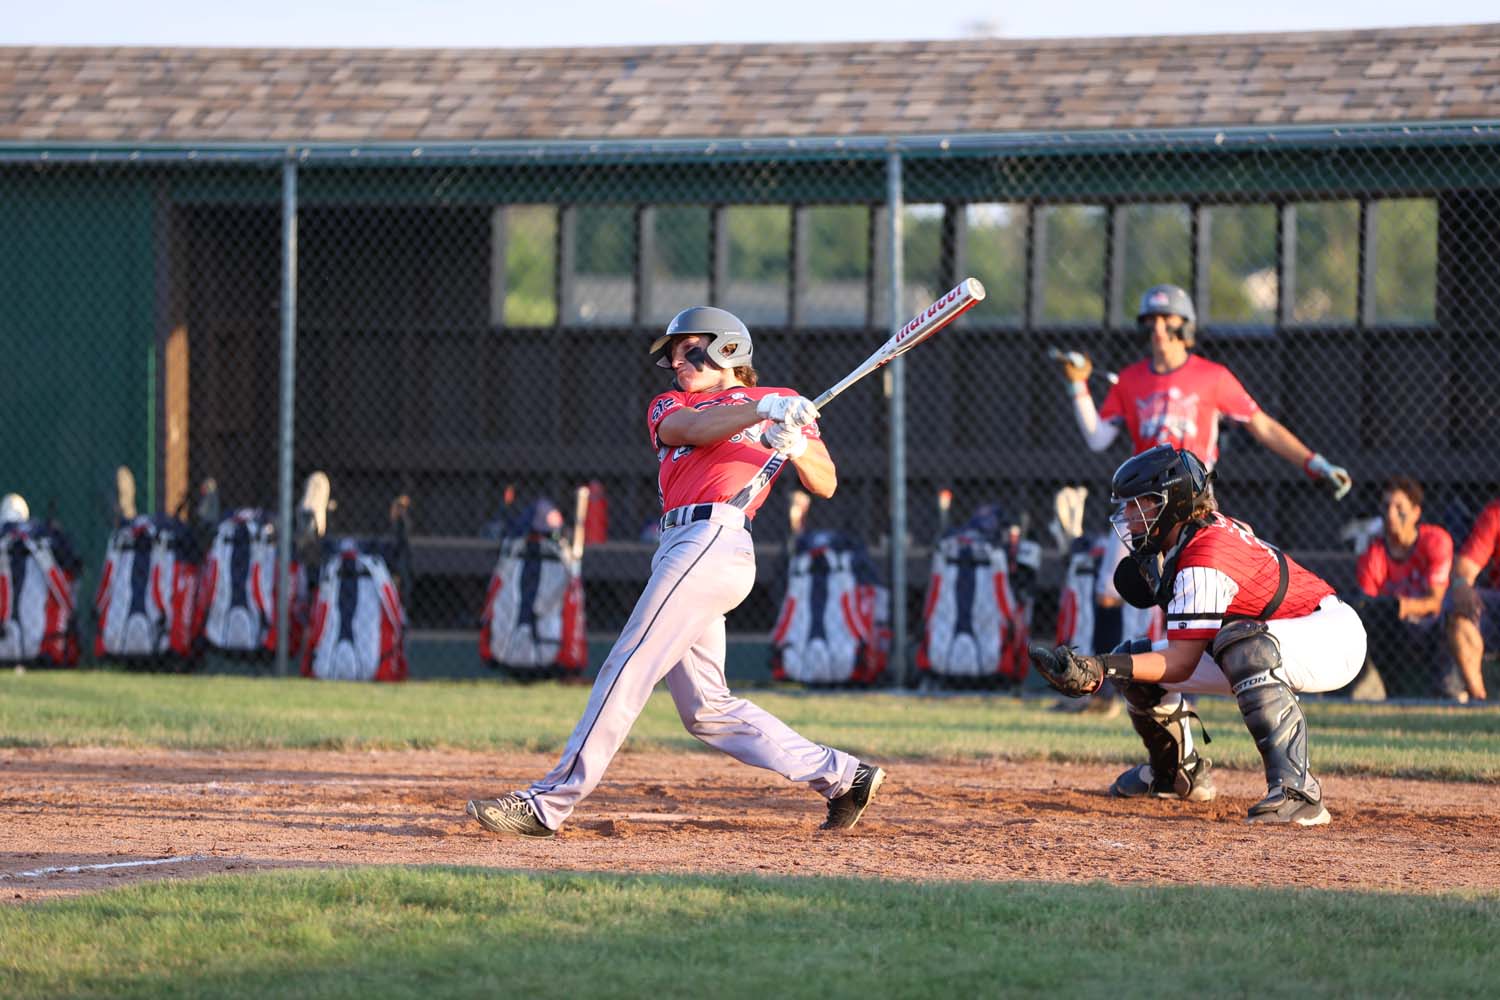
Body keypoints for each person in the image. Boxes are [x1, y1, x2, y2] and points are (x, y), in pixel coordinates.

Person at [466, 306, 885, 838]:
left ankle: (549, 803)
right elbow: (693, 427)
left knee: (630, 662)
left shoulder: (783, 408)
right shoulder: (679, 404)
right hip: (678, 544)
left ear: (728, 349)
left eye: (689, 350)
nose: (677, 362)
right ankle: (845, 775)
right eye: (671, 355)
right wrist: (765, 410)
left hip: (717, 539)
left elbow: (825, 483)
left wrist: (798, 445)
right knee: (707, 710)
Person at [1028, 445, 1366, 826]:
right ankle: (1176, 775)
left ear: (1174, 504)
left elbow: (1182, 661)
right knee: (1136, 661)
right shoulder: (1194, 538)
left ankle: (1298, 791)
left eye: (1141, 504)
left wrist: (1099, 666)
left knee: (1243, 648)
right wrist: (1113, 666)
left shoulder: (1204, 555)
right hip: (1276, 638)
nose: (1128, 515)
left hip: (1331, 636)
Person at [1056, 283, 1353, 714]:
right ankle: (1099, 691)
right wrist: (1078, 387)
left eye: (1168, 320)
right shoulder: (1133, 378)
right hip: (1143, 509)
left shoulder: (1211, 376)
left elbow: (1261, 425)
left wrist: (1314, 462)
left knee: (1188, 595)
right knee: (1108, 590)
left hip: (1188, 509)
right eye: (1151, 321)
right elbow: (1098, 438)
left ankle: (1182, 685)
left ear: (1186, 327)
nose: (1158, 328)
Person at [1348, 476, 1455, 699]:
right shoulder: (1374, 552)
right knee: (1372, 619)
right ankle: (1392, 693)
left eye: (1399, 507)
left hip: (1431, 623)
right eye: (1386, 506)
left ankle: (1446, 691)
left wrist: (1399, 605)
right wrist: (1391, 609)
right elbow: (1367, 605)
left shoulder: (1436, 540)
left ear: (1416, 512)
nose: (1391, 514)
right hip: (1394, 630)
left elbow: (1435, 602)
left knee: (1447, 617)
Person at [1446, 497, 1500, 702]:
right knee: (1459, 614)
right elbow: (1466, 567)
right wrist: (1461, 585)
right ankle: (1479, 700)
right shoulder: (1496, 512)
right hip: (1496, 603)